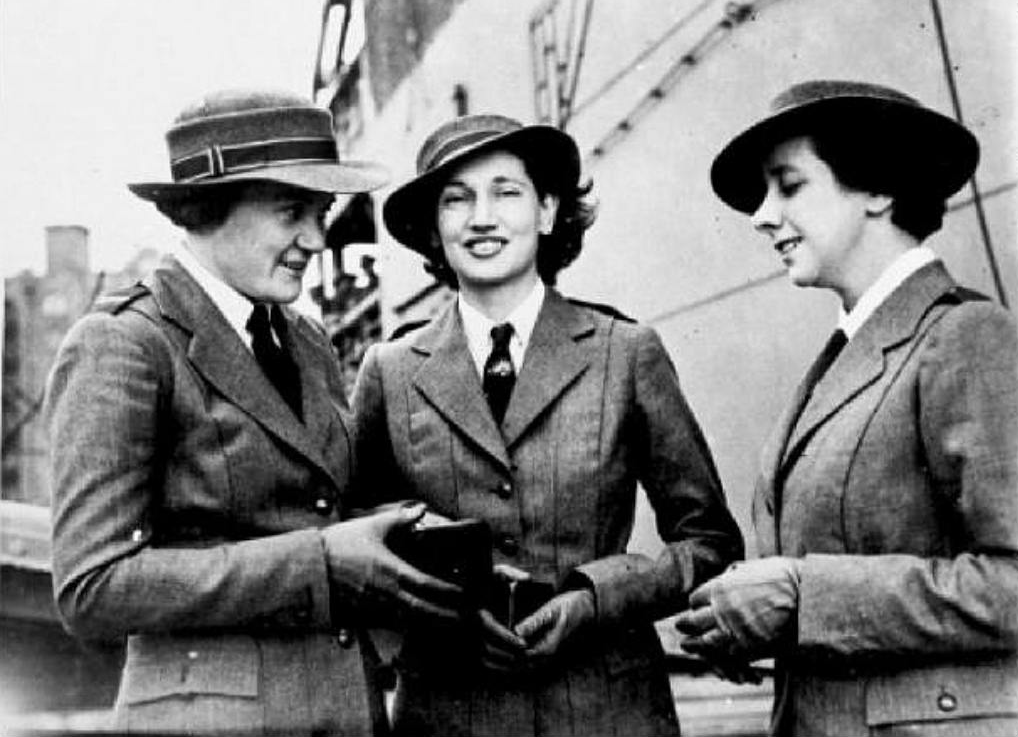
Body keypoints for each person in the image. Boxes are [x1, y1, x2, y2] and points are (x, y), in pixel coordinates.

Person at [44, 89, 465, 735]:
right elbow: (92, 587)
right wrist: (320, 561)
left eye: (322, 212)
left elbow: (313, 509)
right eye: (292, 211)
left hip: (347, 711)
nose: (317, 239)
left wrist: (405, 534)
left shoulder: (306, 341)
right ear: (210, 207)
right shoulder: (124, 343)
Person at [350, 113, 744, 736]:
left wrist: (597, 600)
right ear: (433, 228)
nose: (482, 217)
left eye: (506, 192)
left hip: (608, 712)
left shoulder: (626, 351)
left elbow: (710, 543)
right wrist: (442, 616)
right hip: (448, 712)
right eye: (456, 200)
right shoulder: (388, 370)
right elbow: (359, 543)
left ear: (547, 210)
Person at [675, 80, 1018, 736]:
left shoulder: (966, 337)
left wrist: (802, 598)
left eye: (789, 185)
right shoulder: (849, 354)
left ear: (879, 190)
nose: (762, 215)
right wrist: (753, 621)